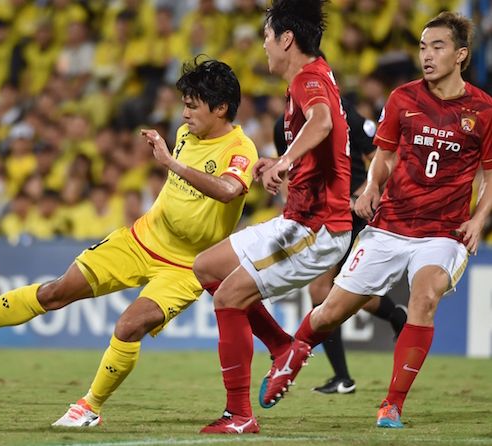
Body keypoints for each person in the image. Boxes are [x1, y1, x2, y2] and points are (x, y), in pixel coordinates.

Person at [0, 59, 259, 428]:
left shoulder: (240, 148)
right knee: (56, 293)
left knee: (129, 326)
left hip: (187, 266)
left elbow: (229, 189)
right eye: (184, 104)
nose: (184, 113)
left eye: (192, 106)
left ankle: (88, 408)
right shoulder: (187, 134)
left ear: (220, 108)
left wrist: (171, 163)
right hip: (140, 239)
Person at [260, 11, 492, 428]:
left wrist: (478, 221)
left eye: (437, 46)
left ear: (460, 55)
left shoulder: (484, 109)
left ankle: (392, 404)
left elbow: (491, 176)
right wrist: (369, 189)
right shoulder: (403, 98)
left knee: (424, 297)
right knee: (330, 310)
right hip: (390, 225)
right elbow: (382, 157)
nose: (427, 54)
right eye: (422, 46)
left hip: (444, 232)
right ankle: (292, 354)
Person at [192, 0, 352, 434]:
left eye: (267, 36)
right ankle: (283, 346)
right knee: (205, 267)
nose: (264, 45)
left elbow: (320, 124)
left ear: (286, 39)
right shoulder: (312, 76)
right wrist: (278, 162)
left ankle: (239, 416)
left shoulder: (309, 79)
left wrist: (286, 160)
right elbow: (320, 138)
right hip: (300, 220)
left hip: (316, 229)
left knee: (228, 298)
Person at [272, 103, 407, 395]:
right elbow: (286, 172)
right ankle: (395, 319)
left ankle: (343, 376)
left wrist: (362, 196)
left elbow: (379, 159)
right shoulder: (281, 125)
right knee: (341, 293)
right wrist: (292, 209)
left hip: (351, 211)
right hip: (316, 216)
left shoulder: (349, 116)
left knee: (324, 292)